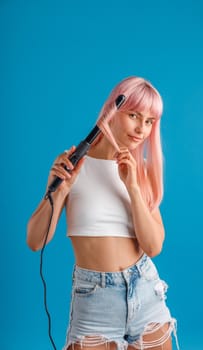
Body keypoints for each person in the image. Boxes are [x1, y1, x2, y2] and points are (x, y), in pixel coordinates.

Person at [27, 76, 179, 350]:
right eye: (134, 115)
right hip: (94, 298)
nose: (141, 128)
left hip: (145, 291)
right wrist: (60, 190)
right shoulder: (73, 164)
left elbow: (154, 246)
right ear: (113, 109)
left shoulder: (141, 170)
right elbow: (35, 241)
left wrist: (132, 186)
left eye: (149, 121)